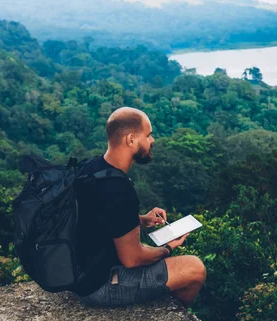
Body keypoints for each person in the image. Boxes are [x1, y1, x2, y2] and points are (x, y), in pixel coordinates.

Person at [73, 107, 207, 308]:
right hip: (101, 286)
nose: (152, 140)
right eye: (148, 135)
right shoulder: (119, 189)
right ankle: (169, 316)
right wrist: (168, 248)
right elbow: (133, 259)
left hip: (81, 274)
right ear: (131, 140)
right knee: (195, 268)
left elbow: (99, 217)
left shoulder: (92, 168)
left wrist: (142, 220)